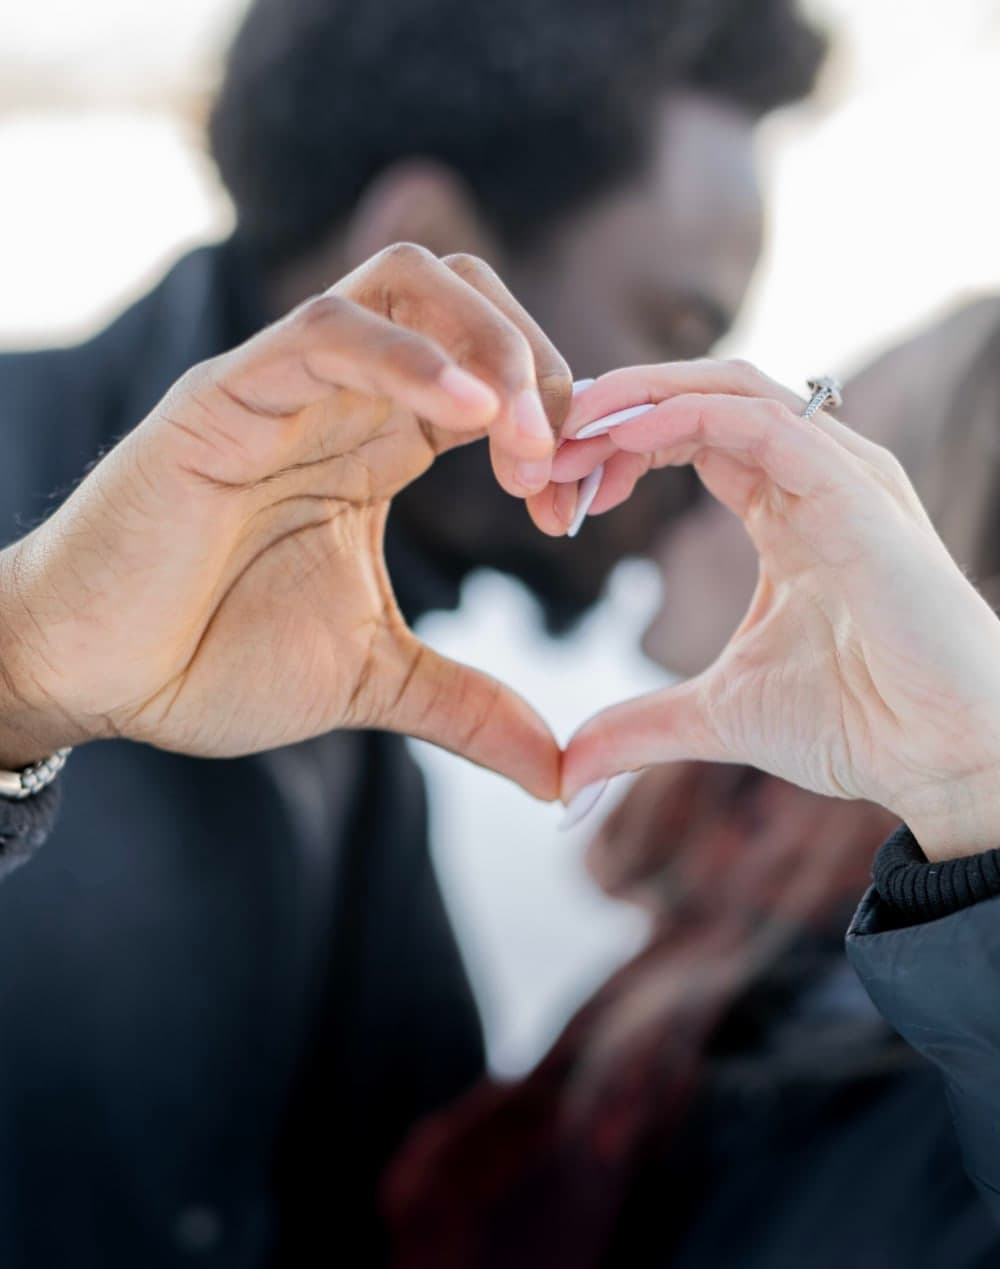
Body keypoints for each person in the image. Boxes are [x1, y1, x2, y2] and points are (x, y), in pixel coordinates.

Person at [0, 1, 825, 1264]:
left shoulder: (368, 680)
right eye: (677, 330)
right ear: (433, 257)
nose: (696, 425)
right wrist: (21, 682)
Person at [385, 345, 1000, 1269]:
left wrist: (971, 793)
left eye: (818, 429)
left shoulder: (938, 1045)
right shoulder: (741, 948)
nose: (714, 473)